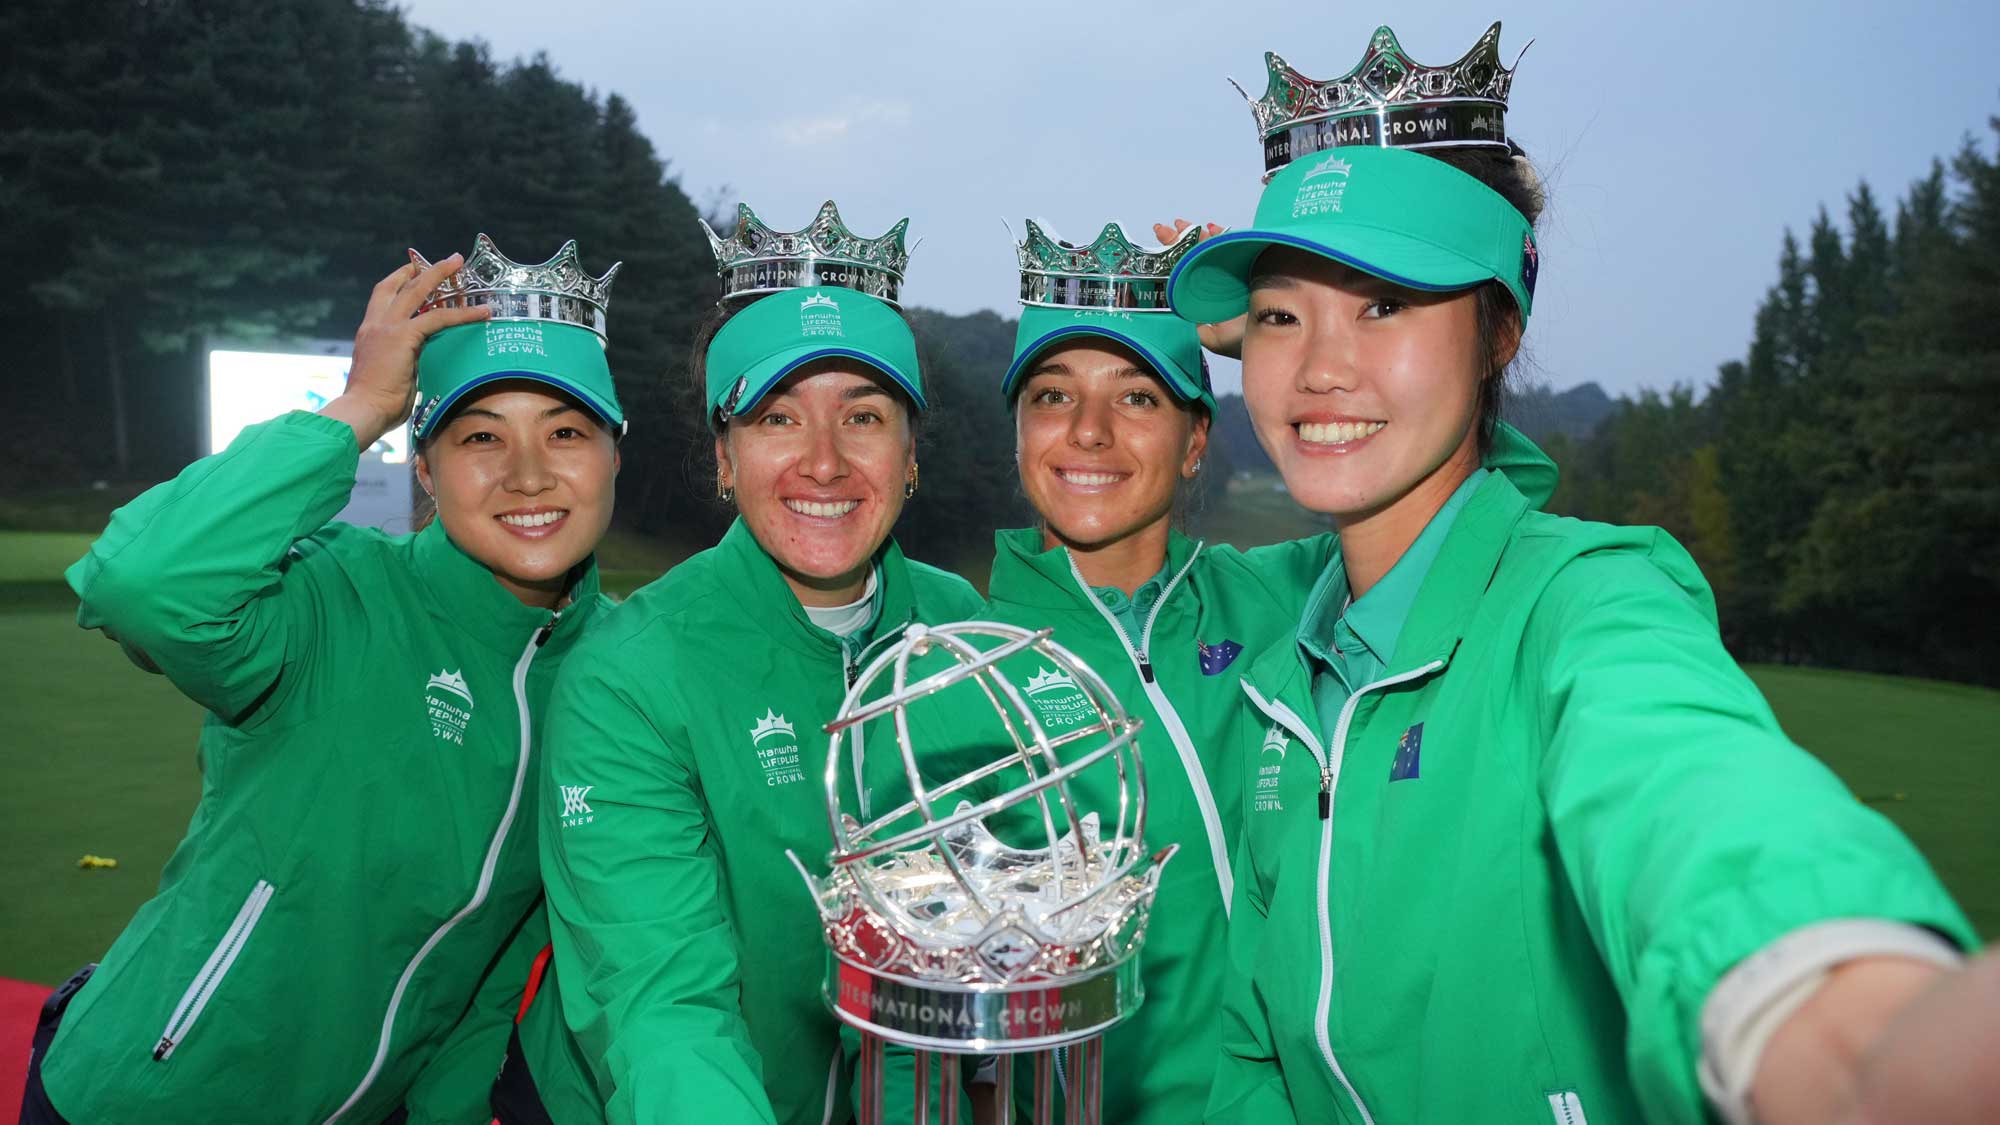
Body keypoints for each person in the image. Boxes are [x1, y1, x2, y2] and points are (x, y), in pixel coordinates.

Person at [1168, 22, 1985, 1125]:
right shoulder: (1286, 667)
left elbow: (1688, 790)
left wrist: (1841, 1028)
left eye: (1385, 304)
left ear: (1499, 329)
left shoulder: (1585, 602)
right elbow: (1256, 1056)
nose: (1317, 367)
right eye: (1278, 316)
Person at [23, 239, 627, 1124]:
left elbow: (487, 964)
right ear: (423, 466)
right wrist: (363, 403)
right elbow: (141, 585)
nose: (528, 473)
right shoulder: (333, 593)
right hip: (139, 1097)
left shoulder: (612, 672)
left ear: (616, 454)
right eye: (480, 436)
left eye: (566, 432)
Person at [526, 202, 984, 1125]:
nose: (823, 462)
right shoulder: (632, 670)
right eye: (778, 417)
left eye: (863, 415)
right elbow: (664, 1003)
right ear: (724, 453)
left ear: (909, 456)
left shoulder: (964, 625)